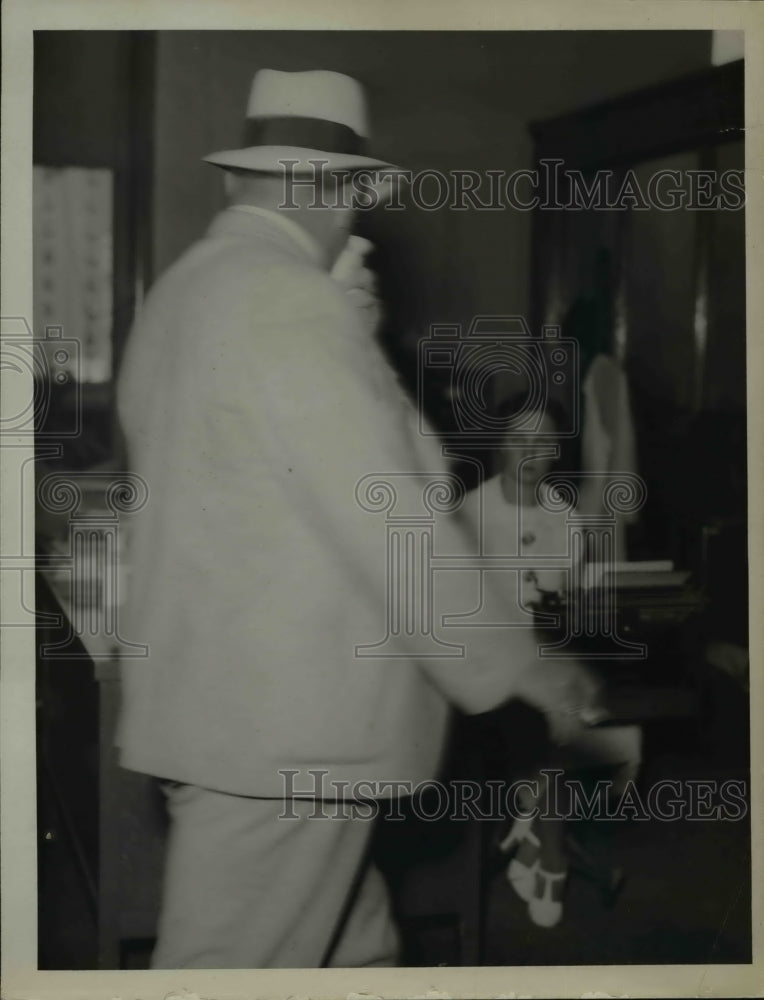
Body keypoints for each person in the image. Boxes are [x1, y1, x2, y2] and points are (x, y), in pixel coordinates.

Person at [116, 68, 600, 969]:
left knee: (357, 954)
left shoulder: (184, 293)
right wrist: (518, 660)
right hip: (288, 738)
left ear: (237, 181)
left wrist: (349, 328)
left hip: (231, 721)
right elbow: (391, 515)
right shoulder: (291, 306)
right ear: (336, 191)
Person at [459, 393, 641, 928]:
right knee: (553, 716)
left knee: (571, 703)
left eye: (544, 441)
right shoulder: (468, 513)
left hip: (549, 661)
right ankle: (551, 858)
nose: (531, 451)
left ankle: (537, 837)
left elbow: (572, 608)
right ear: (499, 443)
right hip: (485, 664)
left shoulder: (566, 519)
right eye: (520, 438)